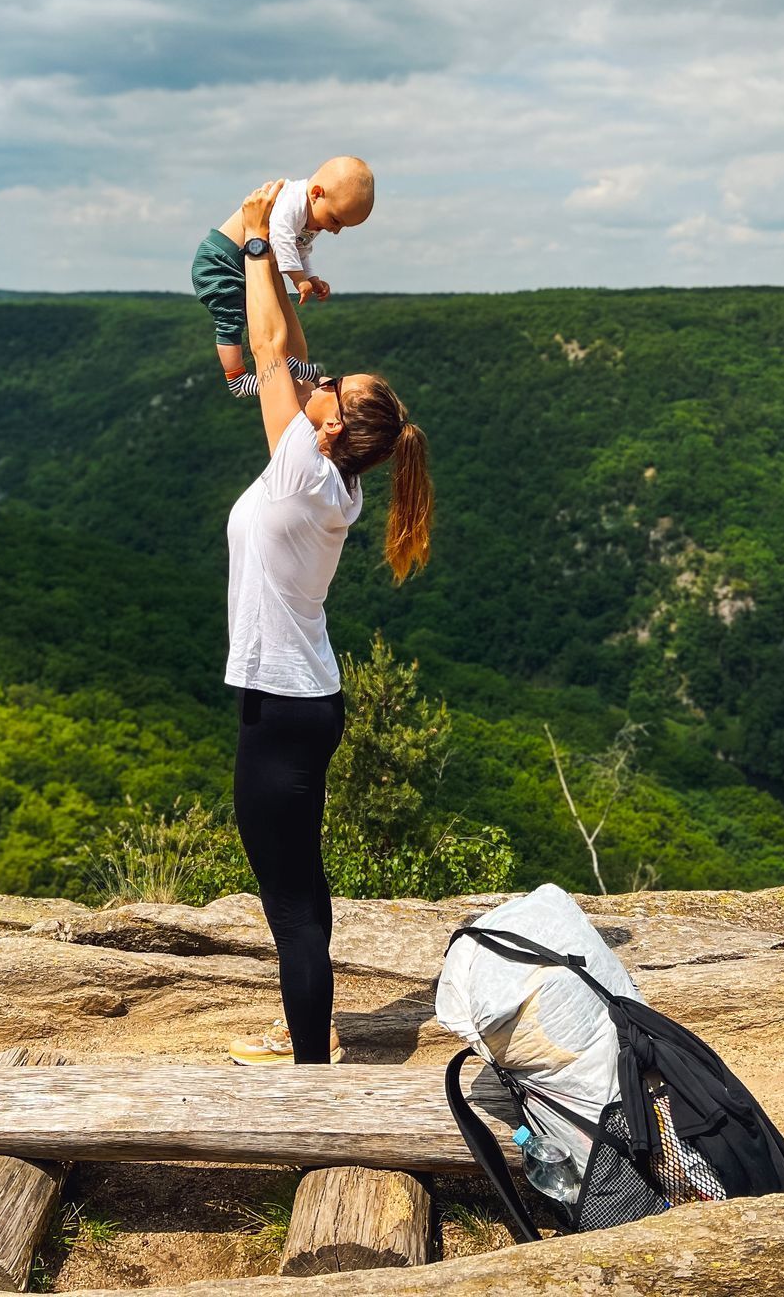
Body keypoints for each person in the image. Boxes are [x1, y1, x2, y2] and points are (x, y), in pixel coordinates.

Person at [225, 178, 433, 1067]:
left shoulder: (300, 472)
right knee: (302, 882)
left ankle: (313, 1071)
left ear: (333, 424)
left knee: (289, 901)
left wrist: (258, 243)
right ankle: (309, 1027)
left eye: (333, 388)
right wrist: (278, 263)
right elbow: (293, 354)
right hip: (306, 699)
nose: (322, 379)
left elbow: (271, 346)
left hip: (281, 709)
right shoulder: (333, 471)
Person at [191, 156, 375, 398]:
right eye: (335, 220)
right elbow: (280, 240)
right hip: (219, 263)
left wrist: (312, 276)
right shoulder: (291, 202)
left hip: (241, 263)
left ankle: (287, 362)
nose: (335, 230)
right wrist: (299, 279)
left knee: (266, 317)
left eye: (342, 227)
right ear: (317, 193)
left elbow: (301, 249)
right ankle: (236, 380)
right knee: (230, 320)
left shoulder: (309, 215)